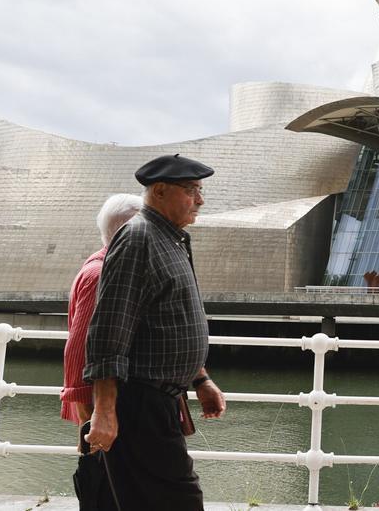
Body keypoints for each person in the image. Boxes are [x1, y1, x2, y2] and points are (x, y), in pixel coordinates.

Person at [82, 154, 227, 510]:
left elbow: (170, 319)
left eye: (201, 190)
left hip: (161, 401)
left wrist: (201, 379)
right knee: (179, 501)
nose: (200, 200)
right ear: (160, 191)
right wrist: (104, 410)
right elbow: (109, 329)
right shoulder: (138, 238)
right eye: (191, 190)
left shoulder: (171, 238)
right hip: (140, 403)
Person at [61, 193, 142, 425]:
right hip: (111, 409)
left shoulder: (109, 267)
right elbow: (79, 349)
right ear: (127, 232)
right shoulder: (101, 275)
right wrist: (90, 419)